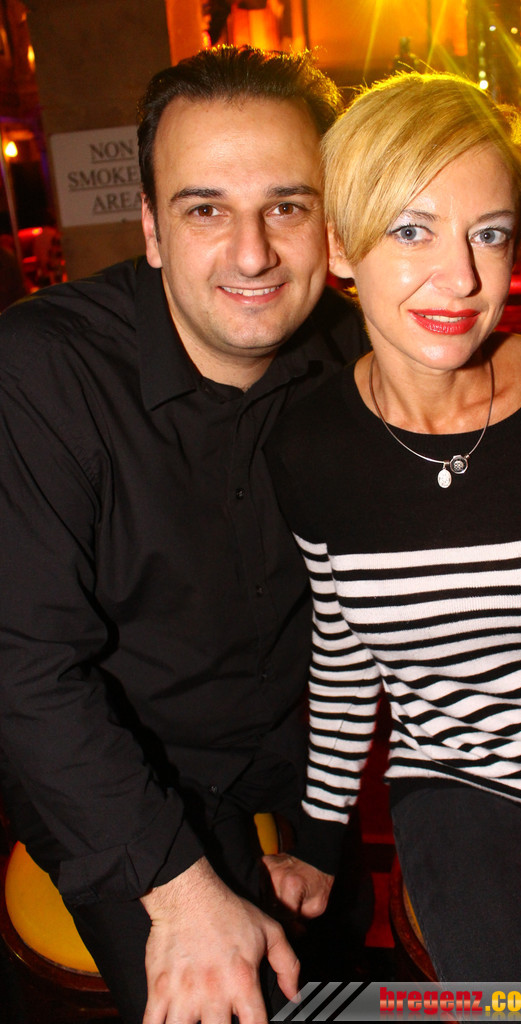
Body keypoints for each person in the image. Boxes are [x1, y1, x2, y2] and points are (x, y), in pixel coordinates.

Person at [264, 72, 521, 982]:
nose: (460, 278)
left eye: (487, 233)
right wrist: (321, 842)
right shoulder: (308, 446)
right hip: (449, 784)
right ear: (338, 247)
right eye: (411, 229)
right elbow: (345, 656)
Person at [0, 45, 368, 1024]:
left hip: (300, 755)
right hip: (122, 760)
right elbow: (25, 668)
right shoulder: (42, 369)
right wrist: (179, 891)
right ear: (152, 231)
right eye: (205, 209)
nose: (251, 255)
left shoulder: (361, 352)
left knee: (368, 968)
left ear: (329, 225)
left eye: (286, 207)